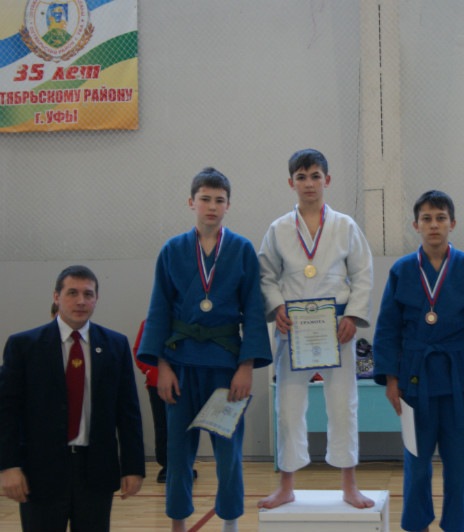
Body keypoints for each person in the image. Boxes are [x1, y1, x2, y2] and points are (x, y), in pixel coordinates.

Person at [137, 167, 272, 532]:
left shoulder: (242, 250)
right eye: (205, 199)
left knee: (228, 452)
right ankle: (178, 523)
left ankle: (230, 523)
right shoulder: (172, 250)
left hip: (226, 367)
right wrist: (162, 366)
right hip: (180, 365)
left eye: (219, 200)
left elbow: (253, 310)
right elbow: (159, 310)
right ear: (191, 202)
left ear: (229, 205)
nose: (212, 206)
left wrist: (246, 366)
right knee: (178, 453)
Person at [372, 190, 464, 532]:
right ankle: (418, 525)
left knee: (458, 466)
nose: (434, 225)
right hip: (414, 379)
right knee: (416, 464)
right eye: (426, 219)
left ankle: (456, 526)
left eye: (440, 218)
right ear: (415, 225)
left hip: (459, 378)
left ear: (452, 223)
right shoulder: (402, 270)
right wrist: (391, 379)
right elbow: (387, 328)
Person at [257, 148, 374, 509]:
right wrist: (277, 306)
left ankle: (349, 485)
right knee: (288, 407)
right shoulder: (278, 229)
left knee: (343, 404)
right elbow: (266, 275)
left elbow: (362, 273)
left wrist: (353, 316)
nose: (309, 183)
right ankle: (287, 485)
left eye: (315, 176)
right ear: (290, 182)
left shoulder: (345, 225)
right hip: (293, 327)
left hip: (337, 327)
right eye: (302, 177)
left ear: (327, 179)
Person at [0, 265, 145, 532]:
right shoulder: (24, 346)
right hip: (40, 472)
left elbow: (128, 412)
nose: (81, 301)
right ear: (56, 297)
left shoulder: (115, 345)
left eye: (88, 294)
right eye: (72, 293)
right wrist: (8, 465)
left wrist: (133, 467)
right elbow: (6, 412)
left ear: (96, 299)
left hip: (96, 471)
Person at [132, 320, 198, 484]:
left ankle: (185, 464)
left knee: (186, 426)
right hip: (157, 384)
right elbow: (139, 351)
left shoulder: (189, 321)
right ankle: (166, 466)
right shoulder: (149, 323)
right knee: (162, 425)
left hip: (185, 383)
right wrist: (150, 371)